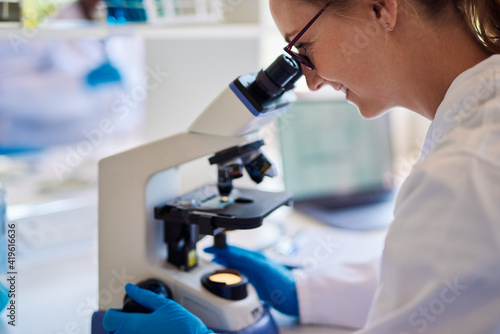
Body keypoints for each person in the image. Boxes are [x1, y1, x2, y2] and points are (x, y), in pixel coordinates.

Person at [103, 0, 500, 333]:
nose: (310, 82)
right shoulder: (475, 129)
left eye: (303, 47)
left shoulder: (463, 171)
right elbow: (441, 284)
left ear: (381, 9)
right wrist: (303, 293)